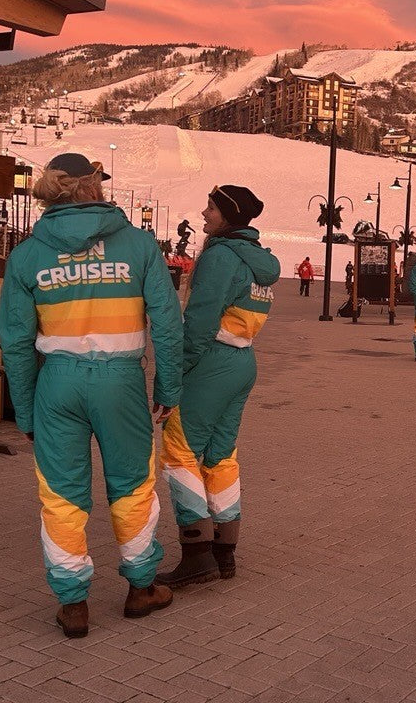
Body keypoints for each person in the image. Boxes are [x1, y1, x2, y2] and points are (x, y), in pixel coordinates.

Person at [0, 153, 183, 639]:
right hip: (120, 382)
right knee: (132, 484)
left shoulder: (27, 254)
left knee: (60, 494)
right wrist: (167, 389)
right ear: (92, 186)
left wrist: (25, 406)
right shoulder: (140, 246)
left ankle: (73, 603)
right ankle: (141, 588)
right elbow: (167, 325)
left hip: (56, 384)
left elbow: (16, 341)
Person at [158, 184, 280, 588]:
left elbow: (199, 323)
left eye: (211, 207)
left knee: (179, 449)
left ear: (228, 215)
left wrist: (172, 377)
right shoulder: (259, 261)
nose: (205, 213)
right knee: (220, 453)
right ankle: (224, 550)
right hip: (243, 360)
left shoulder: (221, 257)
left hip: (211, 360)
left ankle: (196, 552)